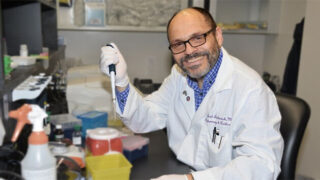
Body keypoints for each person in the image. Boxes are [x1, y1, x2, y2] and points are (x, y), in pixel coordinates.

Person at [100, 7, 283, 180]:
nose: (189, 51)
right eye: (178, 44)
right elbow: (145, 118)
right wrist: (122, 82)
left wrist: (191, 179)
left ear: (218, 36)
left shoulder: (250, 90)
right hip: (179, 169)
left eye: (197, 38)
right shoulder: (178, 76)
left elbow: (262, 165)